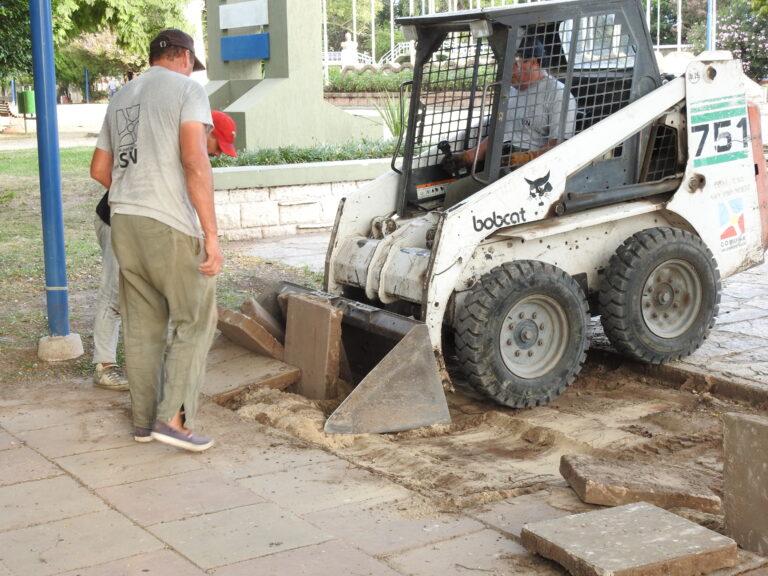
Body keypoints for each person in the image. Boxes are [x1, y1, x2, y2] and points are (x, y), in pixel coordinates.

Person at [90, 28, 223, 452]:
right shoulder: (187, 89)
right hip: (169, 223)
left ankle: (144, 422)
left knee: (142, 325)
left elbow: (99, 168)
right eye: (191, 63)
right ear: (183, 56)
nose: (191, 69)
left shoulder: (121, 95)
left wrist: (136, 192)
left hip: (125, 221)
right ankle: (172, 420)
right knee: (195, 318)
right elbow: (194, 160)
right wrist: (212, 234)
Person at [90, 110, 237, 392]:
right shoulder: (162, 151)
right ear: (205, 132)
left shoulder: (186, 157)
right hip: (118, 223)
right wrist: (136, 201)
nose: (218, 155)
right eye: (218, 147)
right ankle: (104, 367)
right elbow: (99, 171)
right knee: (114, 293)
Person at [442, 37, 577, 207]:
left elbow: (559, 144)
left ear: (534, 63)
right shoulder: (510, 92)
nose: (507, 71)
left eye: (513, 64)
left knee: (457, 191)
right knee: (448, 185)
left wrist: (526, 158)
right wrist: (469, 156)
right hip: (501, 163)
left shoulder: (558, 94)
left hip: (531, 173)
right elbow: (500, 133)